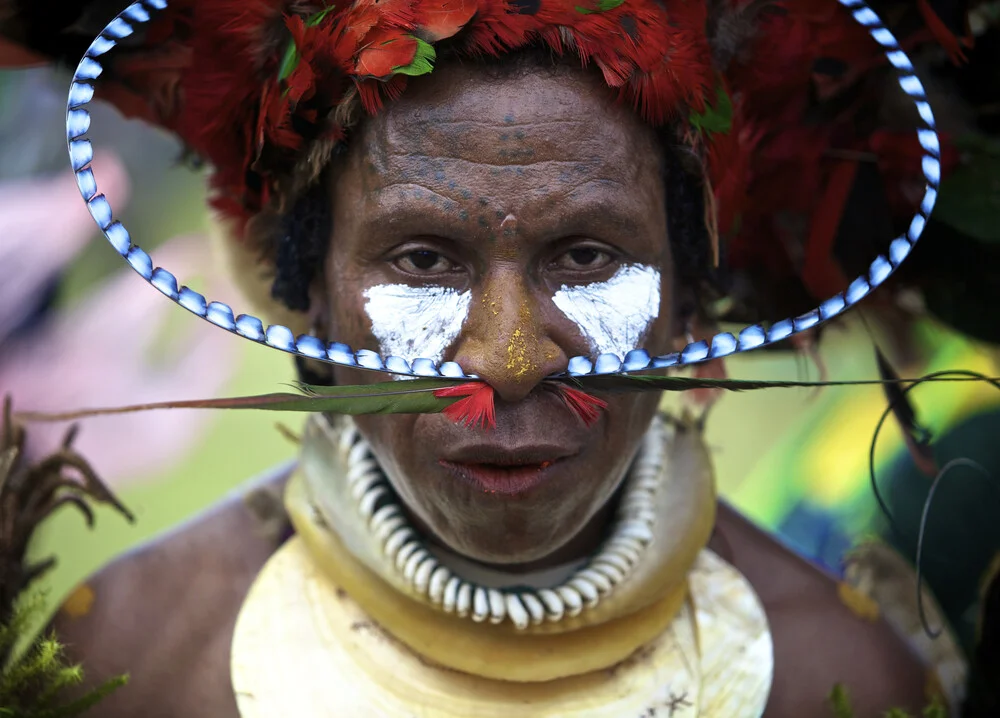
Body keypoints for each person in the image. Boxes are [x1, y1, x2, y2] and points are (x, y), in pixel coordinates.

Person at [1, 0, 991, 715]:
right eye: (425, 259)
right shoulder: (123, 659)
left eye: (588, 255)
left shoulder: (842, 677)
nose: (509, 357)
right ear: (310, 302)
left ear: (692, 298)